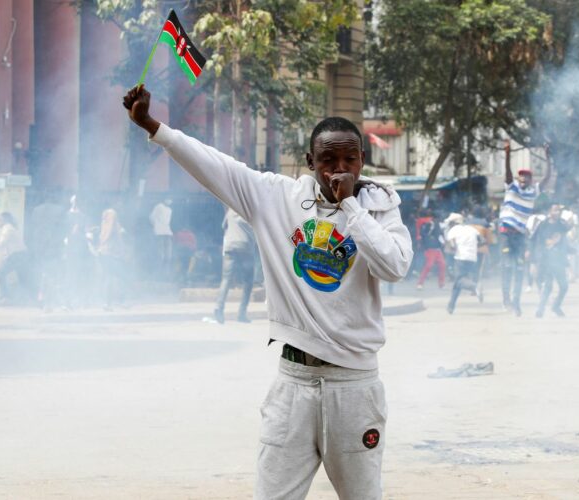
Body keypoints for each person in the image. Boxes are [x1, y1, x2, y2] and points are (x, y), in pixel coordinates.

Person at [124, 84, 413, 500]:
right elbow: (214, 165)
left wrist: (352, 207)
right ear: (310, 161)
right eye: (328, 160)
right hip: (293, 382)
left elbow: (394, 266)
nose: (339, 169)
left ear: (362, 160)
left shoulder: (382, 208)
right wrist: (153, 126)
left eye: (349, 159)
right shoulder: (276, 197)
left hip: (355, 385)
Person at [498, 141, 551, 316]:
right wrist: (507, 154)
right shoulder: (511, 187)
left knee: (520, 269)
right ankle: (506, 299)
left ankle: (516, 302)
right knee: (506, 265)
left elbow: (547, 179)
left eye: (526, 177)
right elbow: (507, 173)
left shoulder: (533, 192)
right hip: (506, 233)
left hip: (520, 235)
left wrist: (547, 157)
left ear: (530, 180)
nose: (523, 178)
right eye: (520, 176)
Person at [209, 208, 257, 324]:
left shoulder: (230, 211)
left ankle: (219, 308)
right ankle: (241, 313)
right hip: (245, 247)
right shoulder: (250, 211)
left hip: (230, 246)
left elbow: (223, 227)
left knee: (226, 279)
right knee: (248, 281)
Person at [533, 204, 571, 318]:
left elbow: (565, 236)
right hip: (547, 259)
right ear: (549, 211)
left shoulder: (562, 224)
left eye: (559, 211)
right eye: (555, 211)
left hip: (559, 259)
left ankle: (555, 306)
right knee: (548, 286)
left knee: (564, 286)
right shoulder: (543, 225)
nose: (557, 213)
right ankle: (540, 309)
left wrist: (571, 251)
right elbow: (538, 241)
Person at [0, 212, 30, 303]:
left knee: (0, 274)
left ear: (4, 220)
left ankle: (6, 297)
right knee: (22, 278)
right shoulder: (10, 228)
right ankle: (27, 299)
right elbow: (8, 246)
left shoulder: (7, 228)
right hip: (20, 255)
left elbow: (1, 244)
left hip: (17, 255)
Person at [445, 214, 482, 314]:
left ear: (454, 222)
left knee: (460, 280)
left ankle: (474, 287)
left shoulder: (454, 230)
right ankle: (451, 306)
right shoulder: (472, 229)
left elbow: (452, 245)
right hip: (473, 258)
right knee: (458, 283)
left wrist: (454, 248)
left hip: (461, 258)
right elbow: (482, 240)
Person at [97, 208, 128, 310]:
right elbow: (119, 242)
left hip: (104, 254)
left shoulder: (104, 225)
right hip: (113, 255)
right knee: (120, 277)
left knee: (108, 278)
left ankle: (107, 302)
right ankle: (119, 301)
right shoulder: (113, 227)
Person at [416, 216, 446, 290]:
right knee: (429, 266)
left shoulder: (438, 225)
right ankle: (420, 283)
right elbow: (423, 235)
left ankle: (441, 283)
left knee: (442, 265)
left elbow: (440, 235)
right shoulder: (427, 225)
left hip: (437, 249)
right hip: (430, 249)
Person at [150, 198, 174, 276]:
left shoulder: (170, 210)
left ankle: (166, 274)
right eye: (169, 198)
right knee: (160, 255)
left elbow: (167, 222)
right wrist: (156, 226)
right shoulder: (159, 206)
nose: (170, 201)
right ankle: (158, 274)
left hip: (168, 233)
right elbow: (152, 217)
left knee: (168, 256)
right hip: (160, 233)